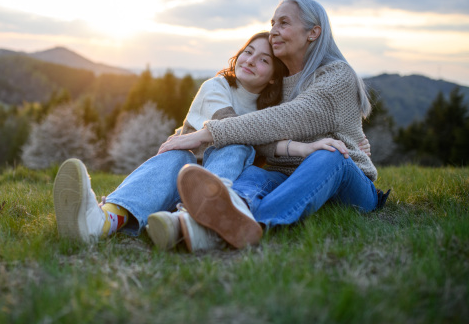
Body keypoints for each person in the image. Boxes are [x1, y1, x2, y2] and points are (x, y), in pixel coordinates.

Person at [52, 31, 366, 251]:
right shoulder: (217, 86)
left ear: (273, 77)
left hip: (222, 182)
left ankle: (189, 220)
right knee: (220, 145)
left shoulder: (268, 110)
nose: (250, 60)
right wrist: (291, 145)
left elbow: (267, 144)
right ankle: (102, 221)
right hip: (184, 169)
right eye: (248, 52)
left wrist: (307, 147)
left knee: (239, 144)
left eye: (262, 60)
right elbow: (230, 128)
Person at [158, 0, 388, 250]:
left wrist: (206, 133)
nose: (274, 31)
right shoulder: (277, 83)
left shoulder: (337, 75)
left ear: (313, 32)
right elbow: (261, 132)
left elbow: (290, 118)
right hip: (288, 176)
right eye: (272, 23)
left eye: (284, 23)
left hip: (345, 182)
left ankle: (249, 224)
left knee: (329, 154)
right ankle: (211, 219)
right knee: (252, 175)